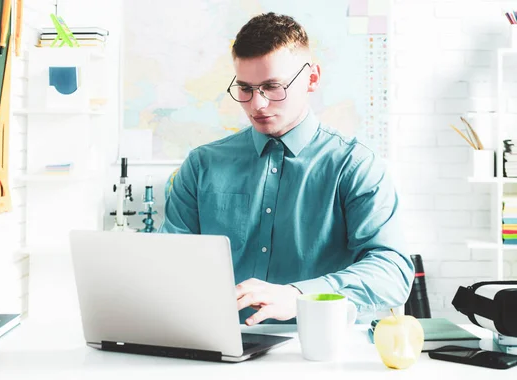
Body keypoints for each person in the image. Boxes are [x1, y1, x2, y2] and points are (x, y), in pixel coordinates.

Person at [160, 12, 414, 325]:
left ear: (312, 78)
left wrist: (300, 296)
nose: (258, 104)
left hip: (317, 350)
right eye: (245, 88)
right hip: (217, 345)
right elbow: (168, 264)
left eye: (272, 86)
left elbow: (392, 272)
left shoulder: (355, 166)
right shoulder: (201, 165)